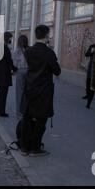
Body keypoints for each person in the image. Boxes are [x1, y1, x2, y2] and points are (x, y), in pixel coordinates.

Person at [21, 25, 61, 157]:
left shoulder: (28, 51)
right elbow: (57, 71)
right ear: (47, 36)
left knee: (27, 118)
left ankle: (25, 146)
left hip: (29, 88)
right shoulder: (49, 53)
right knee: (41, 120)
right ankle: (35, 148)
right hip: (43, 90)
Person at [0, 32, 17, 117]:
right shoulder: (5, 48)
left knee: (1, 93)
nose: (11, 40)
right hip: (4, 74)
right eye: (10, 38)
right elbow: (9, 61)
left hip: (1, 72)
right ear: (7, 38)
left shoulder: (0, 46)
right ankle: (1, 111)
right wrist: (15, 69)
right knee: (3, 94)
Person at [13, 35, 29, 120]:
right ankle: (26, 111)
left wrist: (14, 71)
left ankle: (19, 112)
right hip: (29, 72)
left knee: (19, 92)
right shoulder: (29, 50)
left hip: (20, 71)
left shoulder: (17, 51)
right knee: (27, 92)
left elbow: (15, 64)